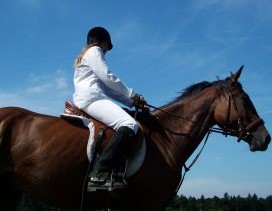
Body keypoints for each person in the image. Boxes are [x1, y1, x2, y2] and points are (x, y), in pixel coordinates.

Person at [73, 27, 146, 191]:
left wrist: (132, 102)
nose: (106, 51)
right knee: (130, 124)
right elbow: (107, 76)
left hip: (90, 97)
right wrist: (132, 94)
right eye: (107, 47)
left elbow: (108, 88)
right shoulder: (95, 51)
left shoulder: (87, 55)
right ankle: (100, 172)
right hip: (92, 99)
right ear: (103, 42)